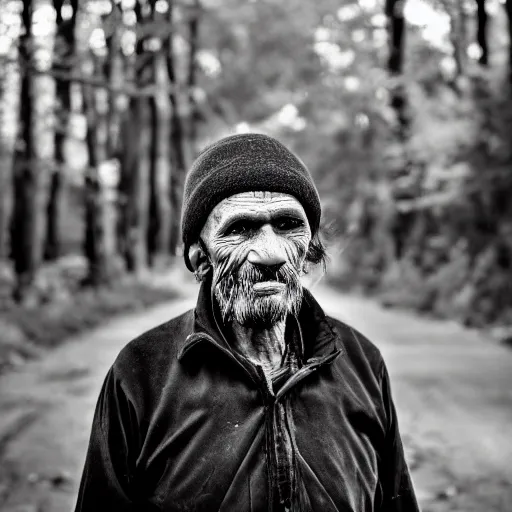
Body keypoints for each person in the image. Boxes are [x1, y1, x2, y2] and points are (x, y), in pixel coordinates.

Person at [74, 133, 421, 512]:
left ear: (309, 250)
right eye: (240, 229)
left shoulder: (362, 362)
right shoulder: (141, 374)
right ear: (200, 256)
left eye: (288, 225)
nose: (270, 253)